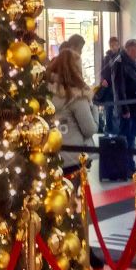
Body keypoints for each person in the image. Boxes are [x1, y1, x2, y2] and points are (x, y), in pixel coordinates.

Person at [46, 44, 98, 174]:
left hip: (52, 155)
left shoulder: (45, 92)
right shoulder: (77, 96)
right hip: (75, 157)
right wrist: (95, 110)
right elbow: (89, 130)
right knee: (75, 193)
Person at [112, 39, 136, 177]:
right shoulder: (120, 63)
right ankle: (124, 167)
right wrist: (124, 109)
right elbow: (119, 88)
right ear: (128, 49)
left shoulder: (133, 62)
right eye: (135, 51)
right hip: (128, 109)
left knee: (132, 138)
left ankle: (130, 165)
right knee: (126, 138)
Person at [95, 36, 121, 135]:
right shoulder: (106, 58)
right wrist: (103, 80)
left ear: (118, 45)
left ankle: (117, 131)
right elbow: (103, 71)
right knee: (109, 110)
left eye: (115, 45)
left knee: (117, 110)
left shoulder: (121, 57)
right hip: (108, 88)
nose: (114, 47)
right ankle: (109, 130)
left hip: (117, 88)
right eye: (112, 45)